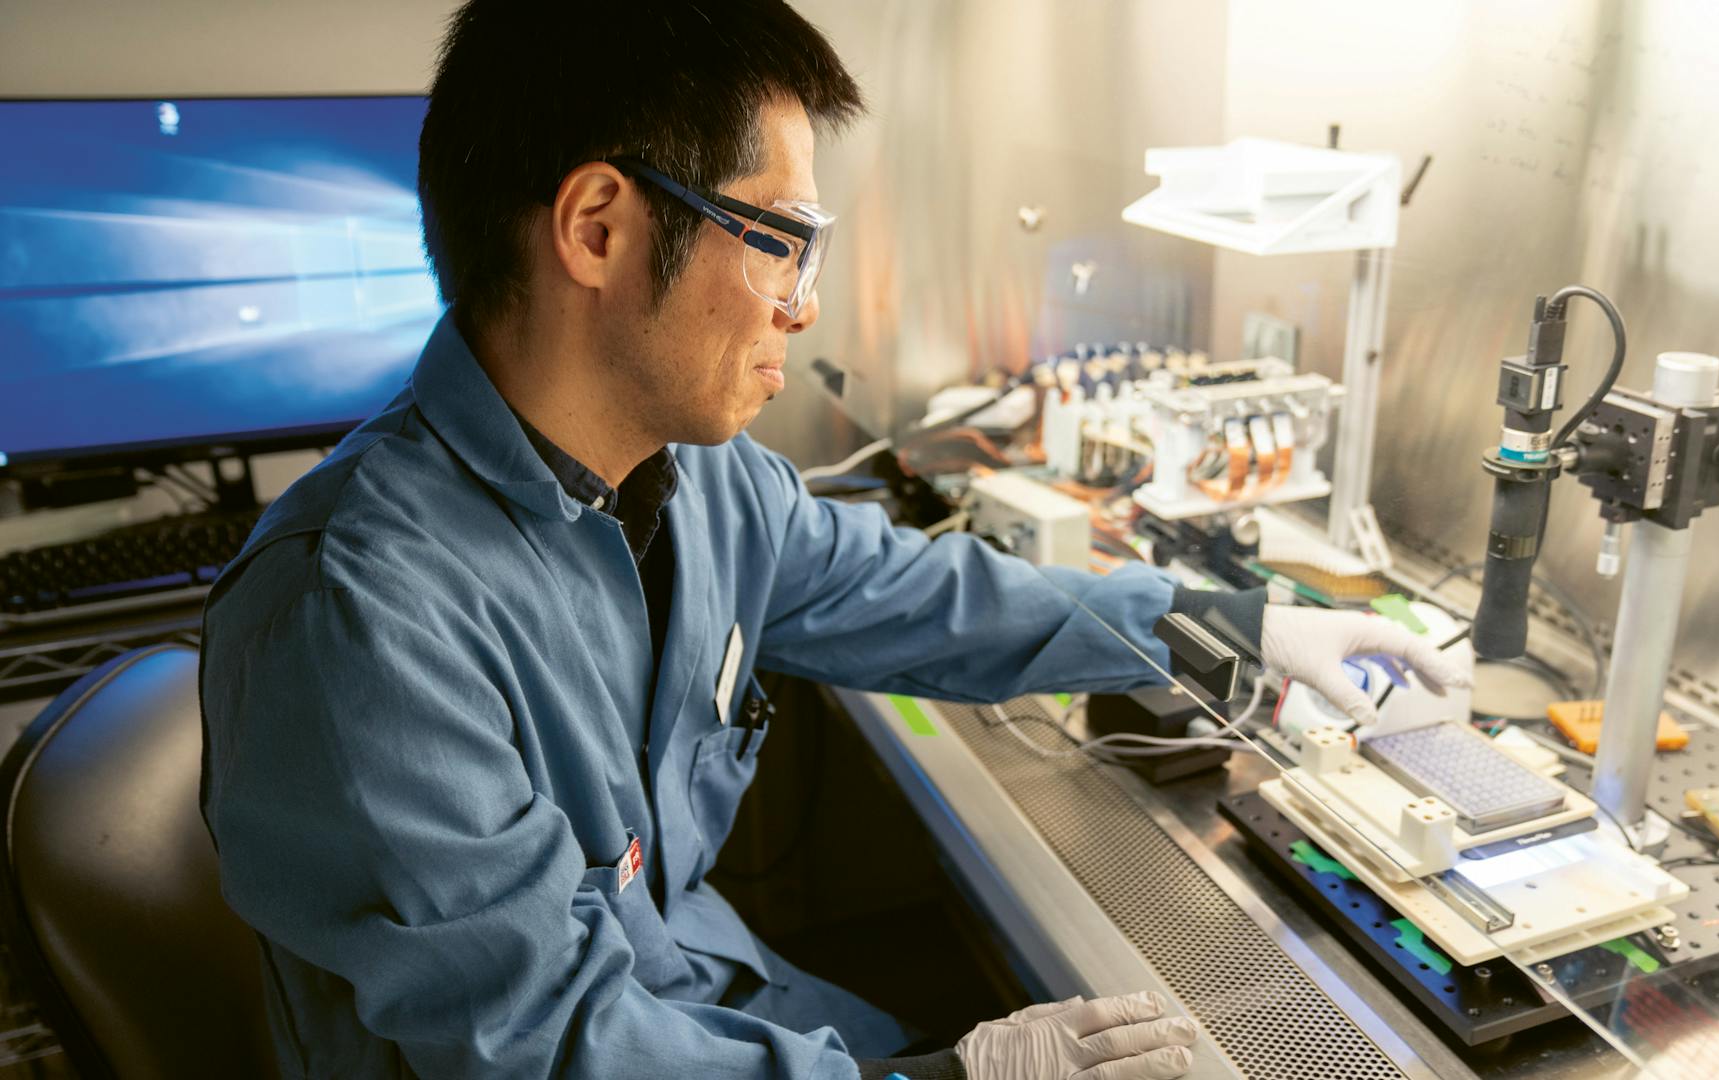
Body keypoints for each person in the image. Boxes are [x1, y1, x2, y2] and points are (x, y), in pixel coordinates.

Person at [197, 2, 1468, 1077]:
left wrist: (1231, 631)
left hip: (731, 1008)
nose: (804, 307)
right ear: (597, 227)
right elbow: (551, 1042)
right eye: (781, 242)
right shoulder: (355, 614)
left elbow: (922, 593)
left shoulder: (698, 484)